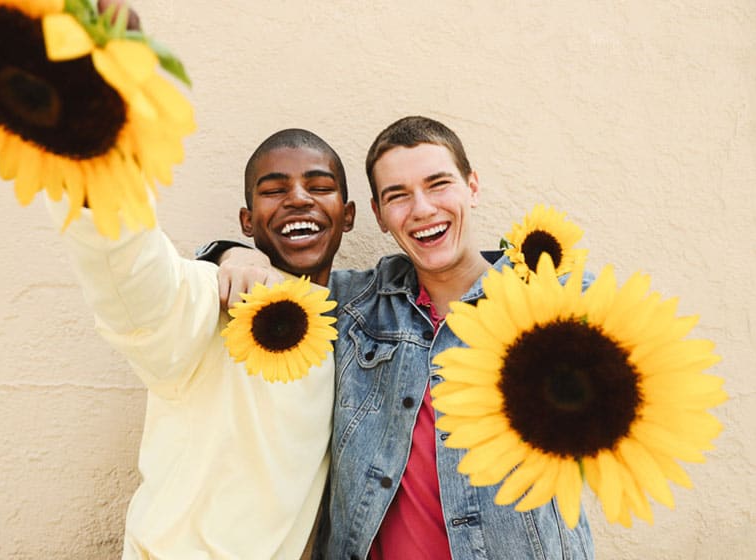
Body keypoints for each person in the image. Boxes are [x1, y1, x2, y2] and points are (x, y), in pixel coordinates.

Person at [214, 116, 594, 559]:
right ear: (376, 215)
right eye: (398, 195)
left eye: (438, 184)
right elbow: (278, 281)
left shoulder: (554, 302)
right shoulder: (354, 305)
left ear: (472, 187)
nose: (422, 210)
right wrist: (229, 251)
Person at [47, 128, 355, 559]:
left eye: (320, 186)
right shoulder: (212, 296)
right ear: (247, 222)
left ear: (348, 215)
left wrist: (227, 249)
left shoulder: (361, 319)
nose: (300, 198)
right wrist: (97, 177)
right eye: (274, 190)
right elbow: (135, 281)